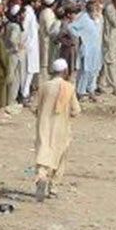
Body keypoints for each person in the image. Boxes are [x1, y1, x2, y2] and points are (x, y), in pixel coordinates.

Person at [33, 57, 80, 201]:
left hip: (44, 126)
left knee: (43, 153)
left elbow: (34, 107)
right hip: (62, 128)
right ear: (65, 71)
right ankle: (53, 187)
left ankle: (41, 176)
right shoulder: (69, 88)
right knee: (60, 157)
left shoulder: (44, 86)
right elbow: (76, 110)